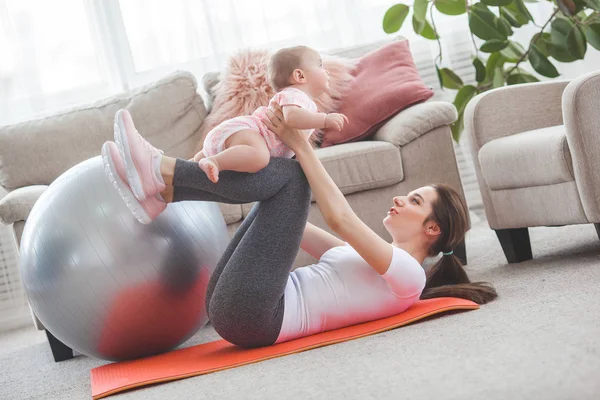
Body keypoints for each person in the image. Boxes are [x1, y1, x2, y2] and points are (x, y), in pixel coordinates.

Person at [101, 106, 497, 349]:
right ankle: (164, 187)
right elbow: (290, 219)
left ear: (432, 229)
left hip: (258, 316)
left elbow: (340, 218)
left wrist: (302, 149)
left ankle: (163, 175)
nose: (399, 199)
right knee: (286, 179)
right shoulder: (370, 259)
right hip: (237, 307)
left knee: (294, 178)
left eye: (413, 201)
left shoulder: (408, 276)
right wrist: (276, 146)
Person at [190, 45, 347, 184]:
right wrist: (324, 120)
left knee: (194, 166)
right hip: (247, 131)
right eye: (320, 65)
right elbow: (292, 118)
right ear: (300, 76)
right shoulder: (293, 94)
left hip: (235, 136)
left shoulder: (305, 102)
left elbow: (296, 141)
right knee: (260, 157)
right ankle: (214, 162)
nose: (326, 70)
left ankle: (193, 164)